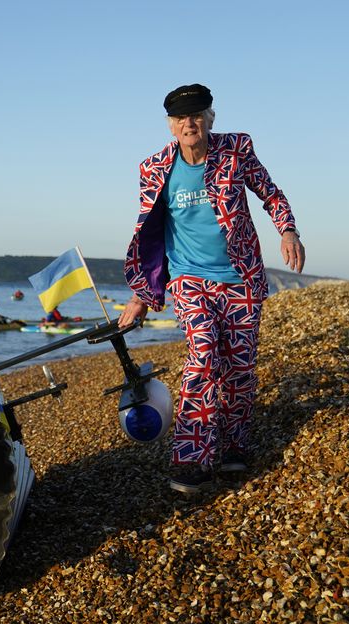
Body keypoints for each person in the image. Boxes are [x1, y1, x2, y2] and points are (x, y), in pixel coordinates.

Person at [118, 83, 305, 494]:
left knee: (237, 369)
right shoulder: (153, 168)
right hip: (190, 279)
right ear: (171, 126)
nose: (190, 123)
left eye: (198, 115)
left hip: (240, 280)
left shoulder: (236, 149)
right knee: (203, 351)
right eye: (182, 118)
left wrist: (288, 231)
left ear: (209, 119)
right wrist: (141, 295)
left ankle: (235, 444)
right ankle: (191, 459)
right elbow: (151, 233)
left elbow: (270, 195)